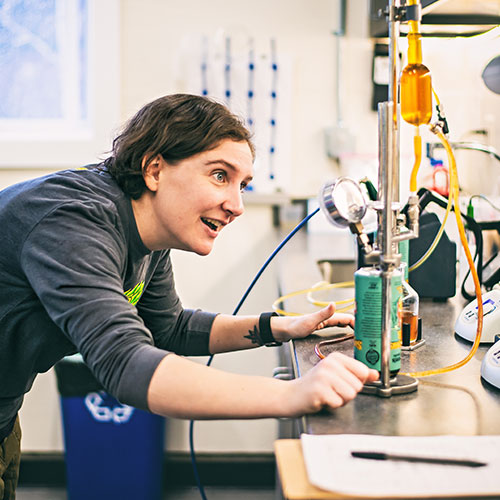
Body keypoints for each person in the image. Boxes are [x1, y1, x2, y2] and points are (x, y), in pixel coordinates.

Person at [0, 94, 378, 498]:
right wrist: (292, 393)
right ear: (154, 169)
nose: (236, 205)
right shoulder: (73, 222)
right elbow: (126, 365)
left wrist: (279, 327)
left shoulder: (146, 231)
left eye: (243, 185)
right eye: (219, 175)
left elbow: (169, 328)